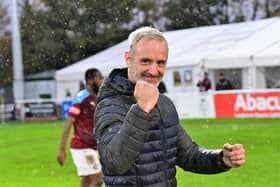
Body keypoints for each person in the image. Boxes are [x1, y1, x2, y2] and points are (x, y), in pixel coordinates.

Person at [94, 27, 246, 187]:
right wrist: (142, 110)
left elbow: (188, 155)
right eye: (146, 61)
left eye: (160, 63)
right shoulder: (109, 105)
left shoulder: (164, 104)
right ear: (128, 59)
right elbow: (115, 163)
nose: (154, 71)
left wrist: (221, 159)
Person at [57, 68, 103, 187]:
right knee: (98, 179)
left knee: (86, 181)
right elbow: (69, 122)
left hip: (92, 146)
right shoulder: (81, 98)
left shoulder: (97, 97)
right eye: (100, 78)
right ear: (91, 80)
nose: (102, 81)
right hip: (82, 146)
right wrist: (61, 149)